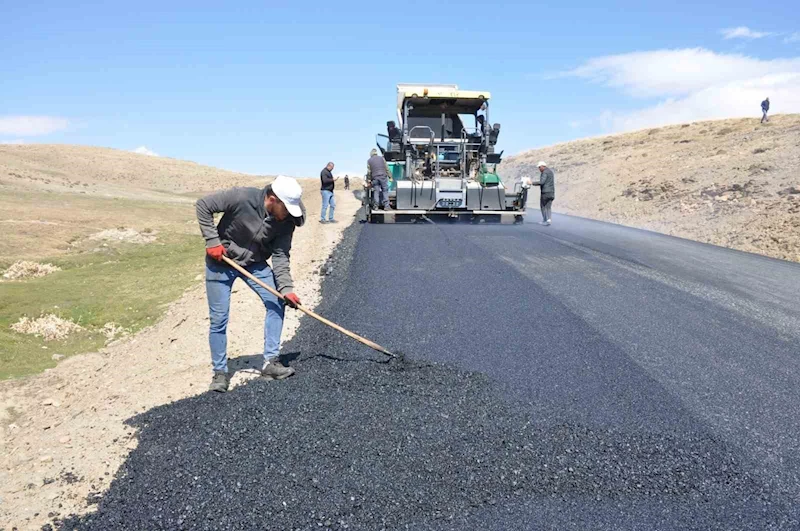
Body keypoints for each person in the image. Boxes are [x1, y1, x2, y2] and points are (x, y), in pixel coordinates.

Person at [196, 175, 305, 393]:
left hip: (254, 263)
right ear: (272, 199)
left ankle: (270, 363)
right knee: (219, 318)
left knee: (276, 301)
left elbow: (281, 256)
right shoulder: (242, 197)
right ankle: (220, 373)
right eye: (286, 208)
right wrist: (212, 241)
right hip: (221, 260)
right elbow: (203, 205)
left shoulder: (286, 221)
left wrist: (286, 289)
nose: (288, 215)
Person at [534, 161, 555, 226]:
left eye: (539, 167)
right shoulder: (550, 172)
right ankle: (549, 219)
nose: (539, 169)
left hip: (545, 192)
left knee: (543, 206)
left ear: (543, 166)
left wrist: (531, 183)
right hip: (551, 192)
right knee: (548, 207)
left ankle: (545, 220)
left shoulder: (544, 172)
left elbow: (542, 182)